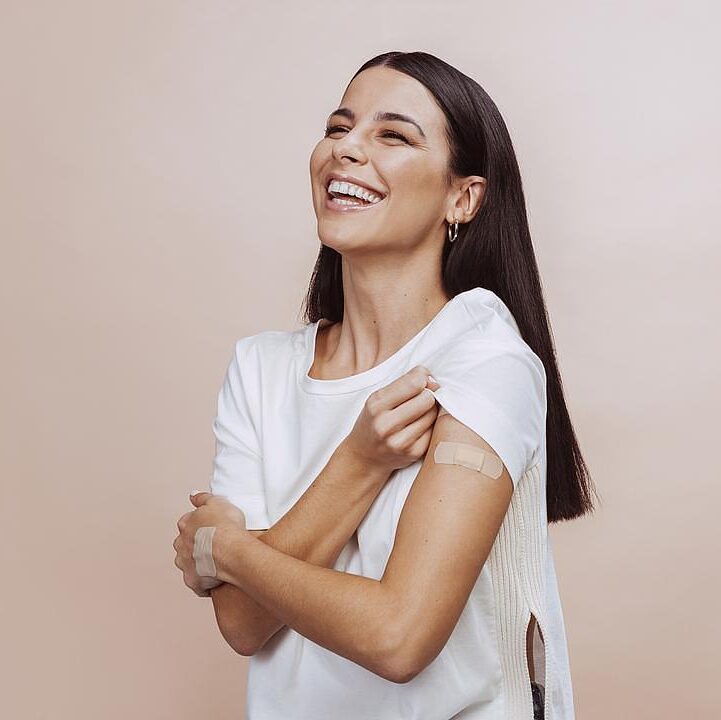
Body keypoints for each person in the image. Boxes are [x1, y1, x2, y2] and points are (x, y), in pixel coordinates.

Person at [173, 50, 598, 720]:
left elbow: (398, 637)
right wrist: (359, 462)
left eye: (392, 136)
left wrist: (225, 548)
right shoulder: (259, 369)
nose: (346, 150)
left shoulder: (483, 358)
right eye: (338, 128)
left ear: (463, 197)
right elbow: (243, 625)